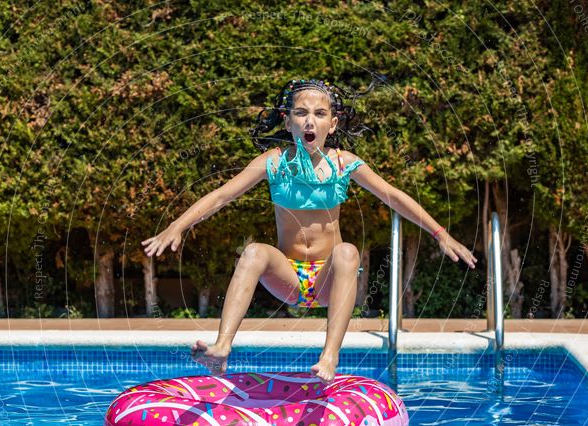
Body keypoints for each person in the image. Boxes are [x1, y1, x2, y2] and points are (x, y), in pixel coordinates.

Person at [142, 77, 476, 382]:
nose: (309, 120)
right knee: (255, 251)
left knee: (346, 251)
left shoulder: (345, 163)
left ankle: (329, 357)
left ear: (332, 124)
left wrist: (439, 232)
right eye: (301, 113)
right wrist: (177, 225)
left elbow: (393, 196)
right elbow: (221, 195)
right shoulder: (273, 161)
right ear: (288, 122)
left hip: (329, 280)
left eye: (319, 113)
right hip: (287, 278)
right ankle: (221, 349)